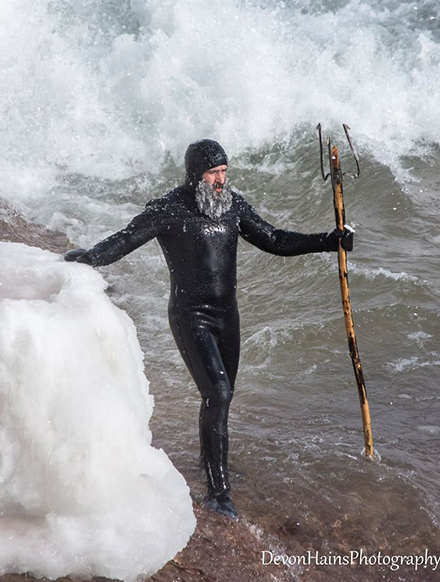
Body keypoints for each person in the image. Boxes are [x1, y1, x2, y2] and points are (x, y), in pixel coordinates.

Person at [64, 139, 353, 520]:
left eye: (224, 172)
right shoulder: (169, 209)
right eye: (214, 173)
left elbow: (274, 239)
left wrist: (328, 242)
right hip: (191, 316)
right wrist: (90, 257)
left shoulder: (232, 205)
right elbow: (127, 237)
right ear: (195, 174)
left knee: (224, 396)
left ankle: (211, 461)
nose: (221, 180)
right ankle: (218, 493)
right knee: (216, 392)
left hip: (226, 316)